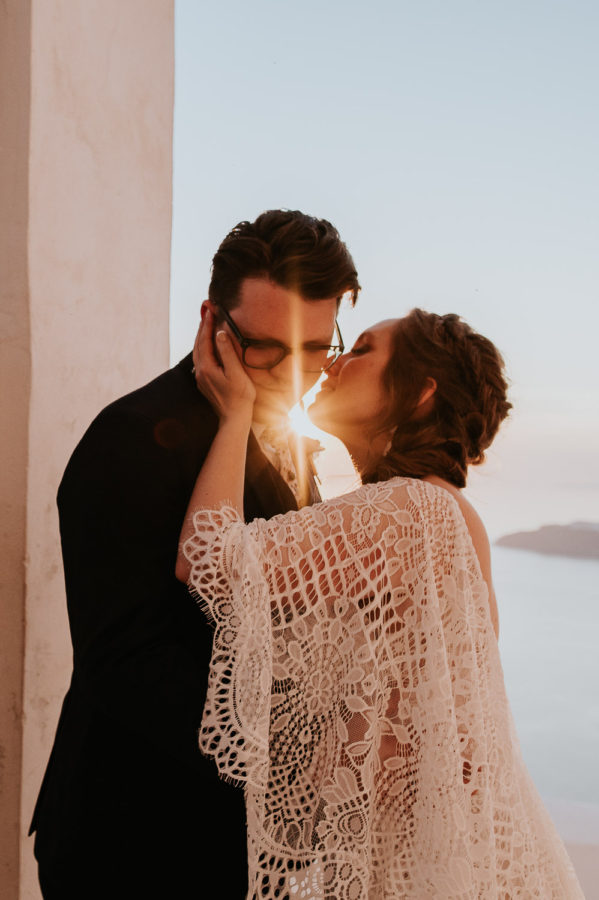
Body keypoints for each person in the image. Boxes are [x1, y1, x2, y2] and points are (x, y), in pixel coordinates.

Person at [176, 308, 584, 898]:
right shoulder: (458, 521)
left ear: (419, 393)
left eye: (363, 349)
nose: (336, 362)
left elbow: (210, 562)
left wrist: (235, 413)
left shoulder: (409, 513)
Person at [29, 209, 360, 899]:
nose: (294, 377)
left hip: (235, 843)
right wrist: (290, 750)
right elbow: (121, 660)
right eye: (266, 348)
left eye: (315, 350)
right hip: (131, 837)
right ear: (213, 319)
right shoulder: (128, 436)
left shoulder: (292, 440)